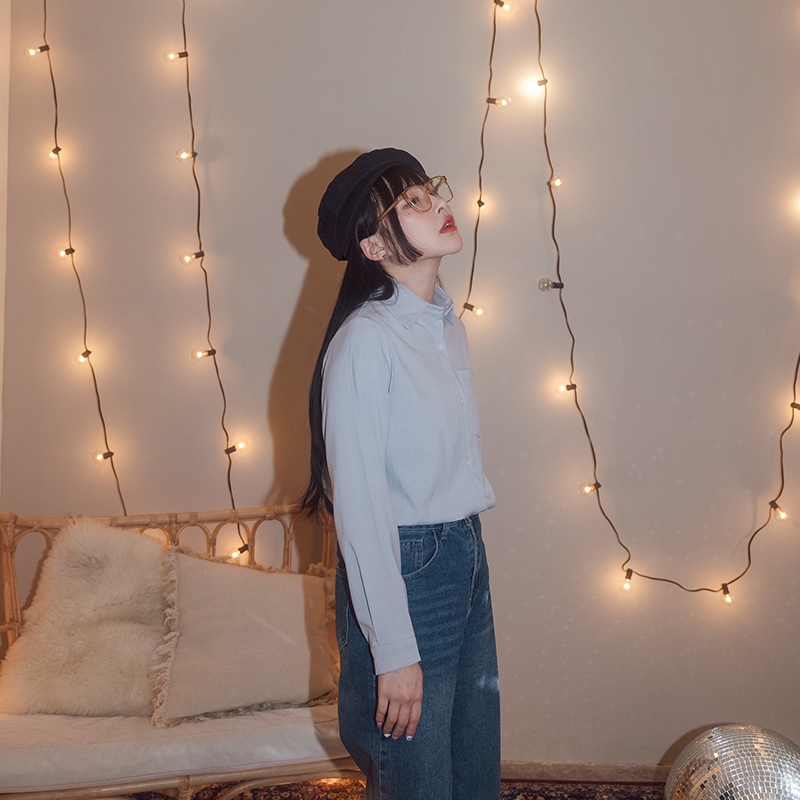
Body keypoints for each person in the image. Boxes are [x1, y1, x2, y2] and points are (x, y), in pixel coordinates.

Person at [302, 148, 500, 800]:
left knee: (472, 766)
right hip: (408, 566)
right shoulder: (366, 340)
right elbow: (359, 509)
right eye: (411, 201)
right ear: (374, 246)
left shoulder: (445, 325)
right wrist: (393, 652)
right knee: (417, 780)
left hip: (463, 552)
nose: (440, 203)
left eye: (430, 190)